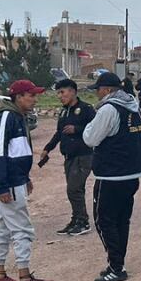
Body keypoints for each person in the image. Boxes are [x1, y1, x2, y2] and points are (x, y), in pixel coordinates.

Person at [0, 79, 54, 281]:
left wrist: (25, 177)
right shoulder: (8, 117)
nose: (35, 99)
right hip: (8, 183)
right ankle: (25, 279)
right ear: (18, 97)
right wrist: (3, 186)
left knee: (5, 228)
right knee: (23, 229)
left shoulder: (18, 117)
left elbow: (18, 152)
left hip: (15, 180)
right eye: (31, 95)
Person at [83, 72, 141, 281]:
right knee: (122, 220)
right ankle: (118, 263)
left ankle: (116, 267)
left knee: (104, 220)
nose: (97, 95)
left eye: (99, 90)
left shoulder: (109, 109)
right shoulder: (134, 107)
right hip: (132, 174)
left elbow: (90, 138)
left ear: (108, 90)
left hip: (110, 175)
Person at [41, 78, 96, 237]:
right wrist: (48, 148)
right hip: (69, 156)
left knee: (74, 189)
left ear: (72, 91)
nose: (60, 96)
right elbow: (59, 132)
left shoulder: (86, 109)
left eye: (62, 92)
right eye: (58, 93)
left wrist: (77, 129)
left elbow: (95, 128)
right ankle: (76, 219)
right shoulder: (65, 111)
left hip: (83, 155)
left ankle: (82, 222)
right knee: (74, 190)